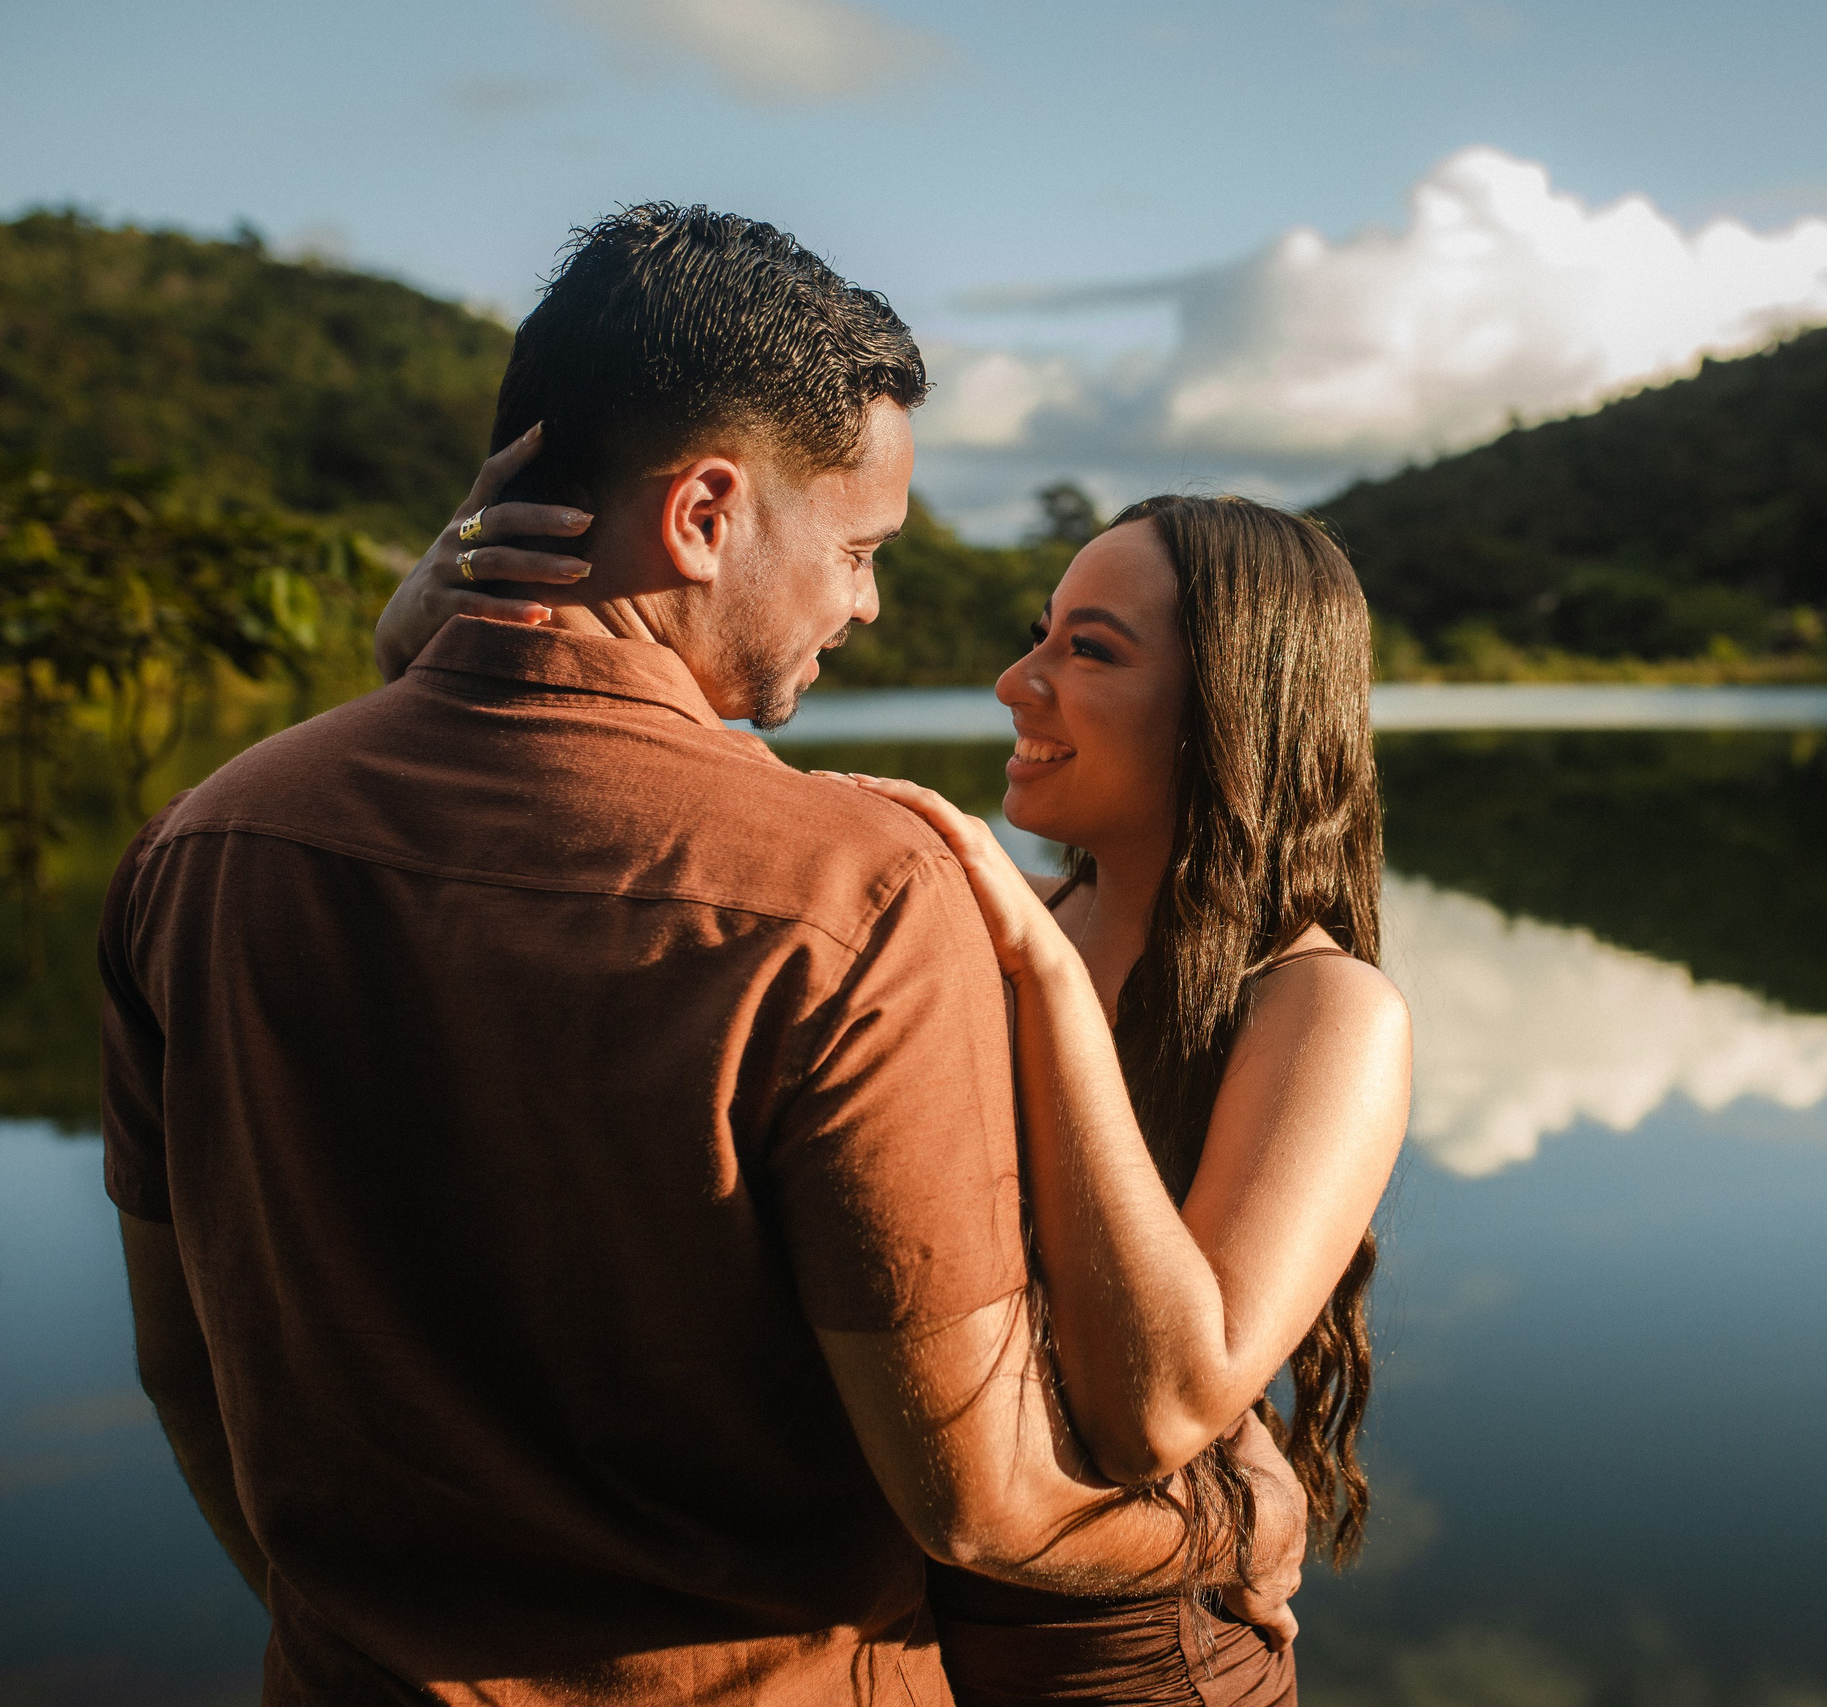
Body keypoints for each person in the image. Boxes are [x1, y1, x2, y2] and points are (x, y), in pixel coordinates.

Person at [104, 203, 1303, 1707]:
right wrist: (1231, 1519)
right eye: (860, 548)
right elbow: (980, 1500)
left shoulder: (202, 847)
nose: (866, 600)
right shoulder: (853, 894)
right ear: (705, 513)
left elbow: (183, 1369)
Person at [384, 487, 1414, 1705]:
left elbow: (1161, 1407)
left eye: (1088, 650)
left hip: (1128, 1666)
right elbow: (631, 795)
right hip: (891, 1642)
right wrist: (418, 645)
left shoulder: (1323, 1012)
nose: (1016, 681)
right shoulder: (956, 917)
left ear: (1235, 704)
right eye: (1041, 633)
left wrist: (1040, 972)